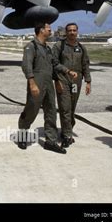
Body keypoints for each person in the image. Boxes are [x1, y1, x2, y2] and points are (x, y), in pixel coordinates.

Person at [18, 23, 78, 154]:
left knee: (51, 111)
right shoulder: (31, 46)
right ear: (41, 31)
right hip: (37, 82)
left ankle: (50, 141)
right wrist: (32, 83)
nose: (51, 31)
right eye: (48, 29)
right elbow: (26, 66)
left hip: (48, 84)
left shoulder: (47, 48)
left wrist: (67, 71)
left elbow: (55, 64)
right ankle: (22, 135)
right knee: (31, 110)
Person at [52, 23, 91, 148]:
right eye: (70, 30)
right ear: (66, 32)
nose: (72, 32)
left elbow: (85, 65)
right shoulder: (59, 46)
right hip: (63, 79)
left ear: (77, 31)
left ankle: (66, 130)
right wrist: (65, 71)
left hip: (76, 81)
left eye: (74, 30)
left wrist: (88, 81)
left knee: (72, 108)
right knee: (65, 107)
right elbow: (54, 63)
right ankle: (67, 135)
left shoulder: (81, 47)